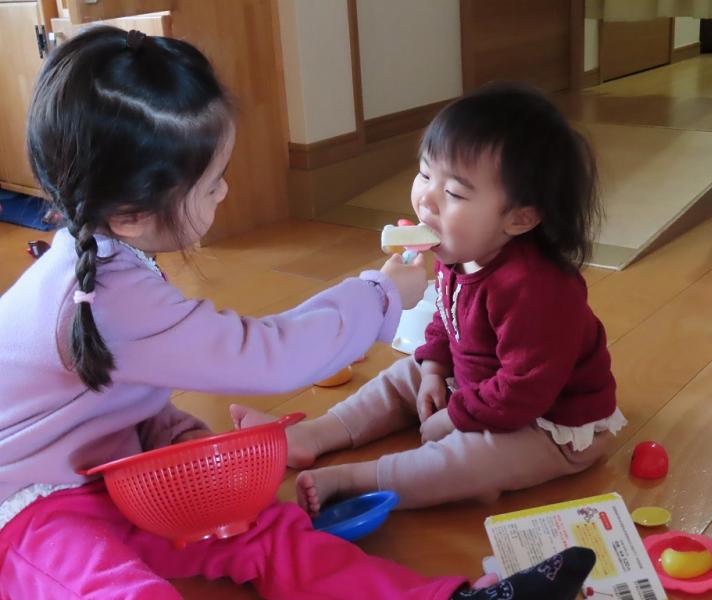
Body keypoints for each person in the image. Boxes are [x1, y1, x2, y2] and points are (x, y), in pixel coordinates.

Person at [0, 27, 598, 600]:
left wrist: (171, 434)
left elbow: (118, 392)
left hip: (120, 470)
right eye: (212, 184)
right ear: (131, 215)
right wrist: (381, 294)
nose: (224, 192)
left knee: (266, 529)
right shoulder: (106, 298)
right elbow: (269, 356)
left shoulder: (111, 264)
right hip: (31, 502)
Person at [234, 82, 626, 515]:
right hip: (479, 387)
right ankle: (314, 435)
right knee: (403, 376)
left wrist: (456, 417)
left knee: (473, 461)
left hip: (547, 422)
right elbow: (446, 320)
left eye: (453, 193)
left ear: (520, 218)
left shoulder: (538, 290)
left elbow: (523, 391)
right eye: (424, 174)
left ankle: (356, 480)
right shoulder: (457, 251)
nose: (426, 199)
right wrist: (435, 370)